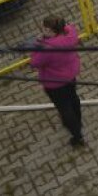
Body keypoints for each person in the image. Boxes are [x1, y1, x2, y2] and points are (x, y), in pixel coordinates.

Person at [28, 16, 84, 147]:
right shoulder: (71, 34)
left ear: (50, 30)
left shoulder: (47, 48)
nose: (42, 31)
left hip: (54, 83)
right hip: (70, 75)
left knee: (64, 107)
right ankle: (78, 121)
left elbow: (34, 63)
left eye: (44, 29)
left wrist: (38, 43)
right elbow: (69, 27)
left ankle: (77, 135)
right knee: (73, 98)